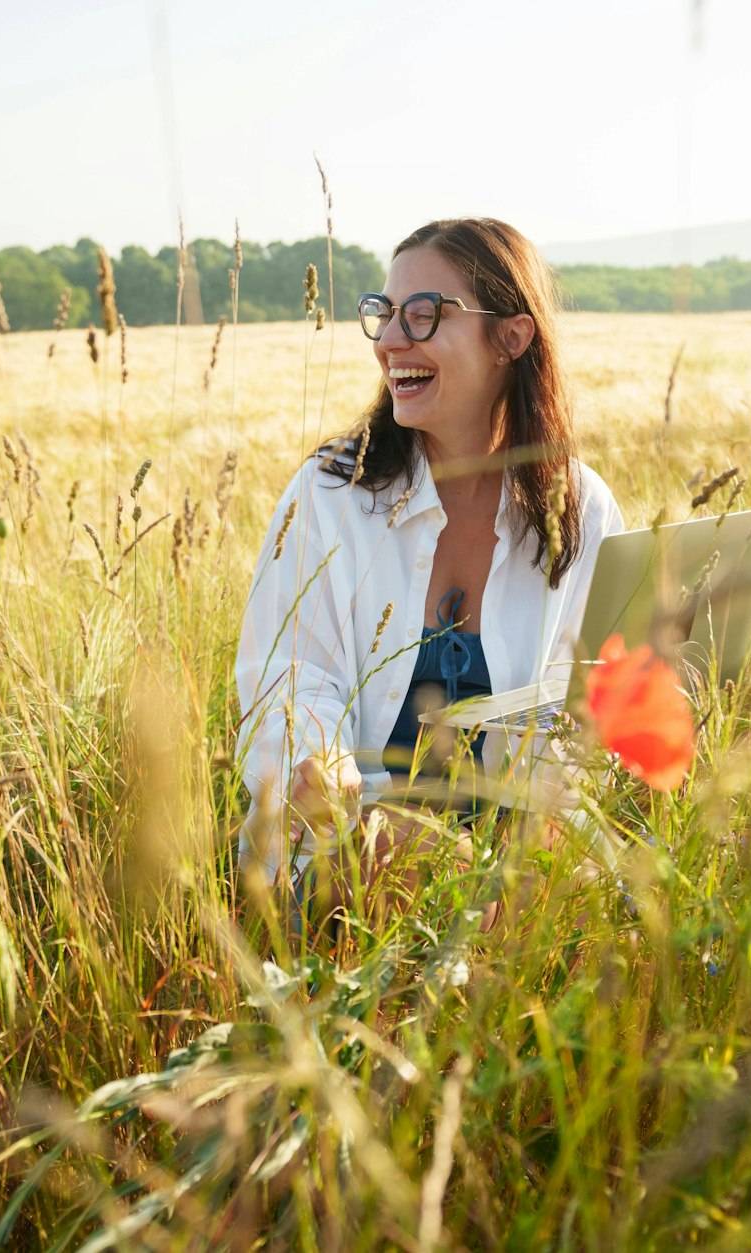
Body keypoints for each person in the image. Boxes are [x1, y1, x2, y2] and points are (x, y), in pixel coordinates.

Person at [234, 217, 626, 917]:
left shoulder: (581, 507)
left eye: (423, 316)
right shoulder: (331, 493)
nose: (389, 341)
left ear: (511, 337)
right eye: (384, 314)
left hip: (517, 856)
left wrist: (537, 841)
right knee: (410, 854)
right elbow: (288, 681)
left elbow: (579, 721)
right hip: (349, 850)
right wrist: (315, 761)